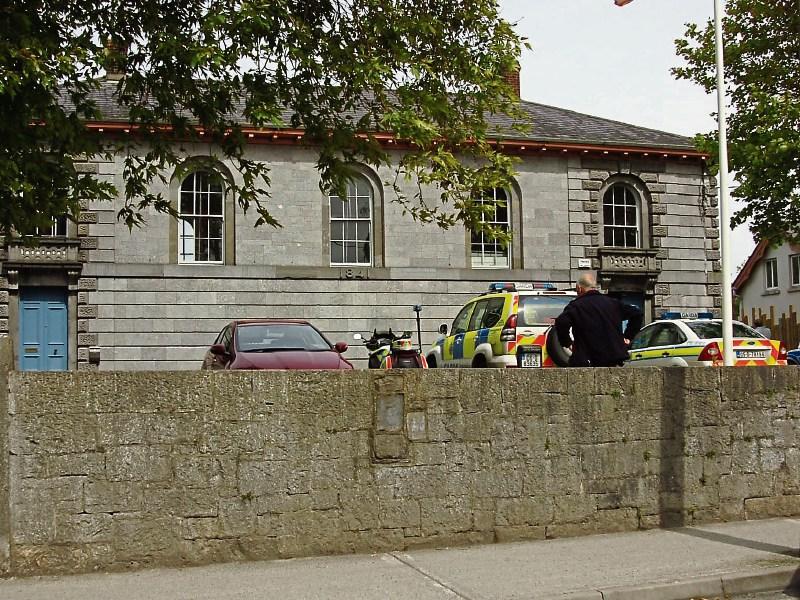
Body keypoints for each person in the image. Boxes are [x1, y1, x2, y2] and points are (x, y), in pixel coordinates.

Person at [554, 272, 643, 367]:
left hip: (587, 359)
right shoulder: (613, 303)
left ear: (579, 288)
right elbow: (637, 314)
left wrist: (567, 342)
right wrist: (628, 337)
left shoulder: (576, 306)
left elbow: (561, 322)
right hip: (613, 358)